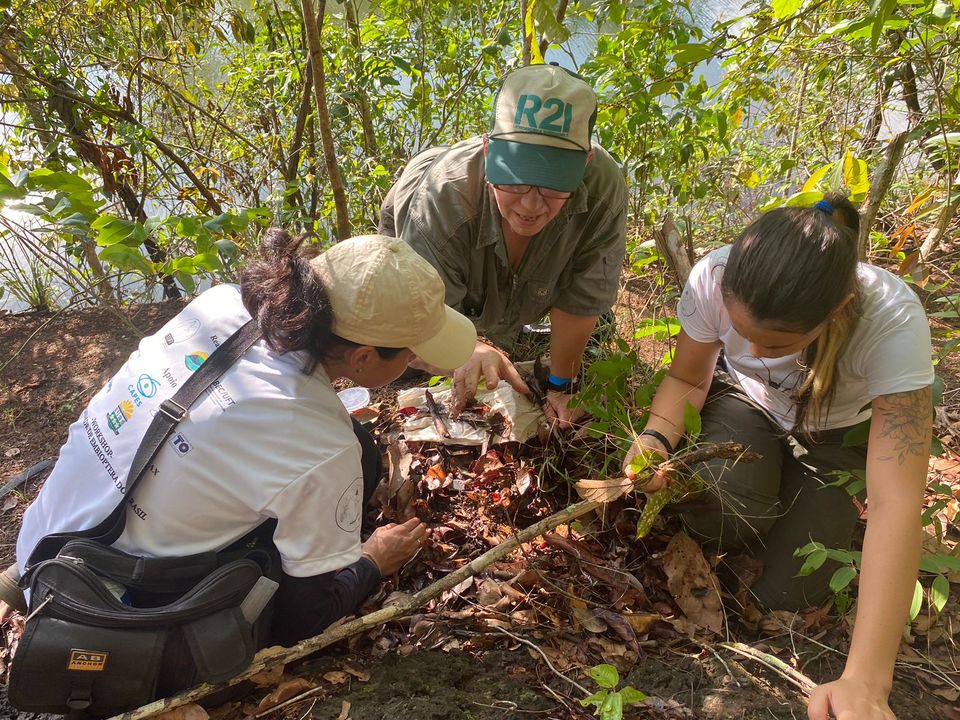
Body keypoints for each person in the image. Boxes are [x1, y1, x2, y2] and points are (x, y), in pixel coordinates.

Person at [11, 230, 477, 646]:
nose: (415, 358)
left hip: (47, 537)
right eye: (410, 352)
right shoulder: (316, 441)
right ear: (360, 361)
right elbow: (301, 623)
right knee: (339, 477)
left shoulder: (220, 303)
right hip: (98, 607)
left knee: (359, 449)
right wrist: (372, 562)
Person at [623, 194, 933, 720]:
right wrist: (654, 441)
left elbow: (895, 503)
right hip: (749, 409)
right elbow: (688, 377)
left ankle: (792, 500)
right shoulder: (713, 276)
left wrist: (866, 680)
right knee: (723, 508)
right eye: (742, 334)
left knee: (789, 594)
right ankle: (762, 497)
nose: (757, 351)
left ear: (836, 309)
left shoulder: (892, 320)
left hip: (839, 434)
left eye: (776, 345)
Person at [379, 63, 628, 427]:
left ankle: (502, 331)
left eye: (552, 183)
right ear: (487, 150)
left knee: (597, 326)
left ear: (585, 162)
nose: (530, 205)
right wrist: (470, 350)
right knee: (395, 355)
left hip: (516, 288)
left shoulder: (603, 188)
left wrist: (562, 384)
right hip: (422, 240)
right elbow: (420, 318)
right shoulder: (444, 198)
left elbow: (582, 298)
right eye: (513, 179)